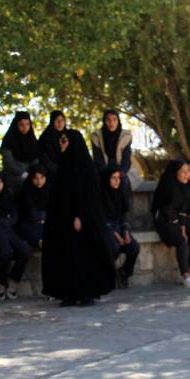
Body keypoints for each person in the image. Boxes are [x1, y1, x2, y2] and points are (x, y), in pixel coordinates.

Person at [40, 126, 116, 305]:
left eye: (65, 141)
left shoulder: (85, 168)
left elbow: (87, 196)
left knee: (82, 255)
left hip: (80, 221)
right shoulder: (63, 166)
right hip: (62, 221)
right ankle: (68, 293)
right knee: (65, 256)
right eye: (61, 141)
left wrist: (79, 216)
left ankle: (86, 292)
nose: (62, 144)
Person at [151, 161, 190, 289]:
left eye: (188, 171)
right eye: (183, 172)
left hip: (177, 221)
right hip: (164, 222)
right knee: (181, 240)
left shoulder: (184, 187)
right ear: (175, 173)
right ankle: (185, 275)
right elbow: (165, 210)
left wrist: (183, 227)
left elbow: (182, 210)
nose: (187, 175)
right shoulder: (167, 187)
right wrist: (178, 227)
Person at [0, 170, 30, 299]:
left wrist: (2, 220)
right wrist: (5, 219)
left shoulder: (8, 196)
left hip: (7, 230)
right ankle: (0, 283)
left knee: (24, 250)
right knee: (6, 252)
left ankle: (14, 281)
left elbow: (14, 217)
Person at [99, 166, 139, 288]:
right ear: (107, 179)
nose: (117, 181)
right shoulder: (100, 195)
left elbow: (123, 215)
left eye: (118, 178)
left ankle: (124, 272)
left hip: (119, 227)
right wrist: (116, 235)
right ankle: (105, 276)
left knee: (133, 247)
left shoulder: (119, 193)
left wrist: (125, 232)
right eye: (113, 178)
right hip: (105, 229)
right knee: (114, 247)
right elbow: (101, 219)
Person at [0, 111, 39, 193]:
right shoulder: (9, 140)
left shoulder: (32, 140)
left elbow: (35, 160)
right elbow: (8, 162)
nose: (25, 127)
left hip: (30, 176)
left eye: (27, 124)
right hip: (12, 177)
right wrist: (22, 173)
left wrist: (30, 173)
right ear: (16, 125)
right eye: (21, 124)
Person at [90, 109, 132, 182]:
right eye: (108, 120)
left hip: (120, 170)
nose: (111, 122)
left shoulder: (126, 136)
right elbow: (97, 159)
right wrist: (108, 175)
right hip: (103, 170)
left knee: (125, 182)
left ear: (118, 121)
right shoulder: (96, 136)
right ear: (104, 121)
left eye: (114, 119)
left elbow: (126, 158)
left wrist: (119, 173)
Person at [17, 163, 49, 250]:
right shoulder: (26, 190)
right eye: (36, 178)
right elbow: (31, 213)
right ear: (31, 178)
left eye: (42, 177)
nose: (39, 181)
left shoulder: (49, 189)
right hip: (28, 223)